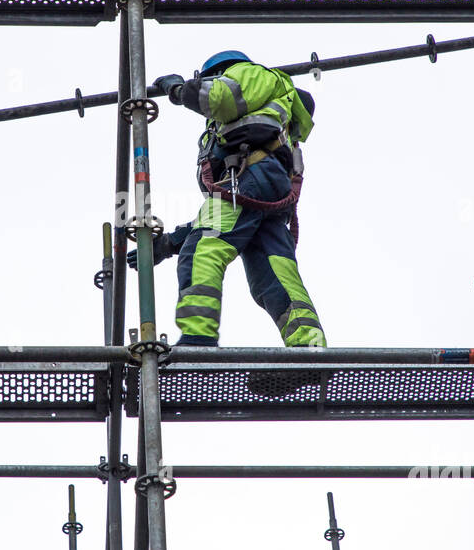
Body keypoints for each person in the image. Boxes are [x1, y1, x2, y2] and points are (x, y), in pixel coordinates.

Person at [128, 50, 327, 370]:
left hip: (249, 176)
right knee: (275, 275)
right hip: (265, 186)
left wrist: (179, 90)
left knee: (203, 249)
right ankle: (309, 353)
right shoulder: (272, 98)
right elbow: (224, 218)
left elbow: (219, 96)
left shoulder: (248, 73)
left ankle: (198, 338)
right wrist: (166, 245)